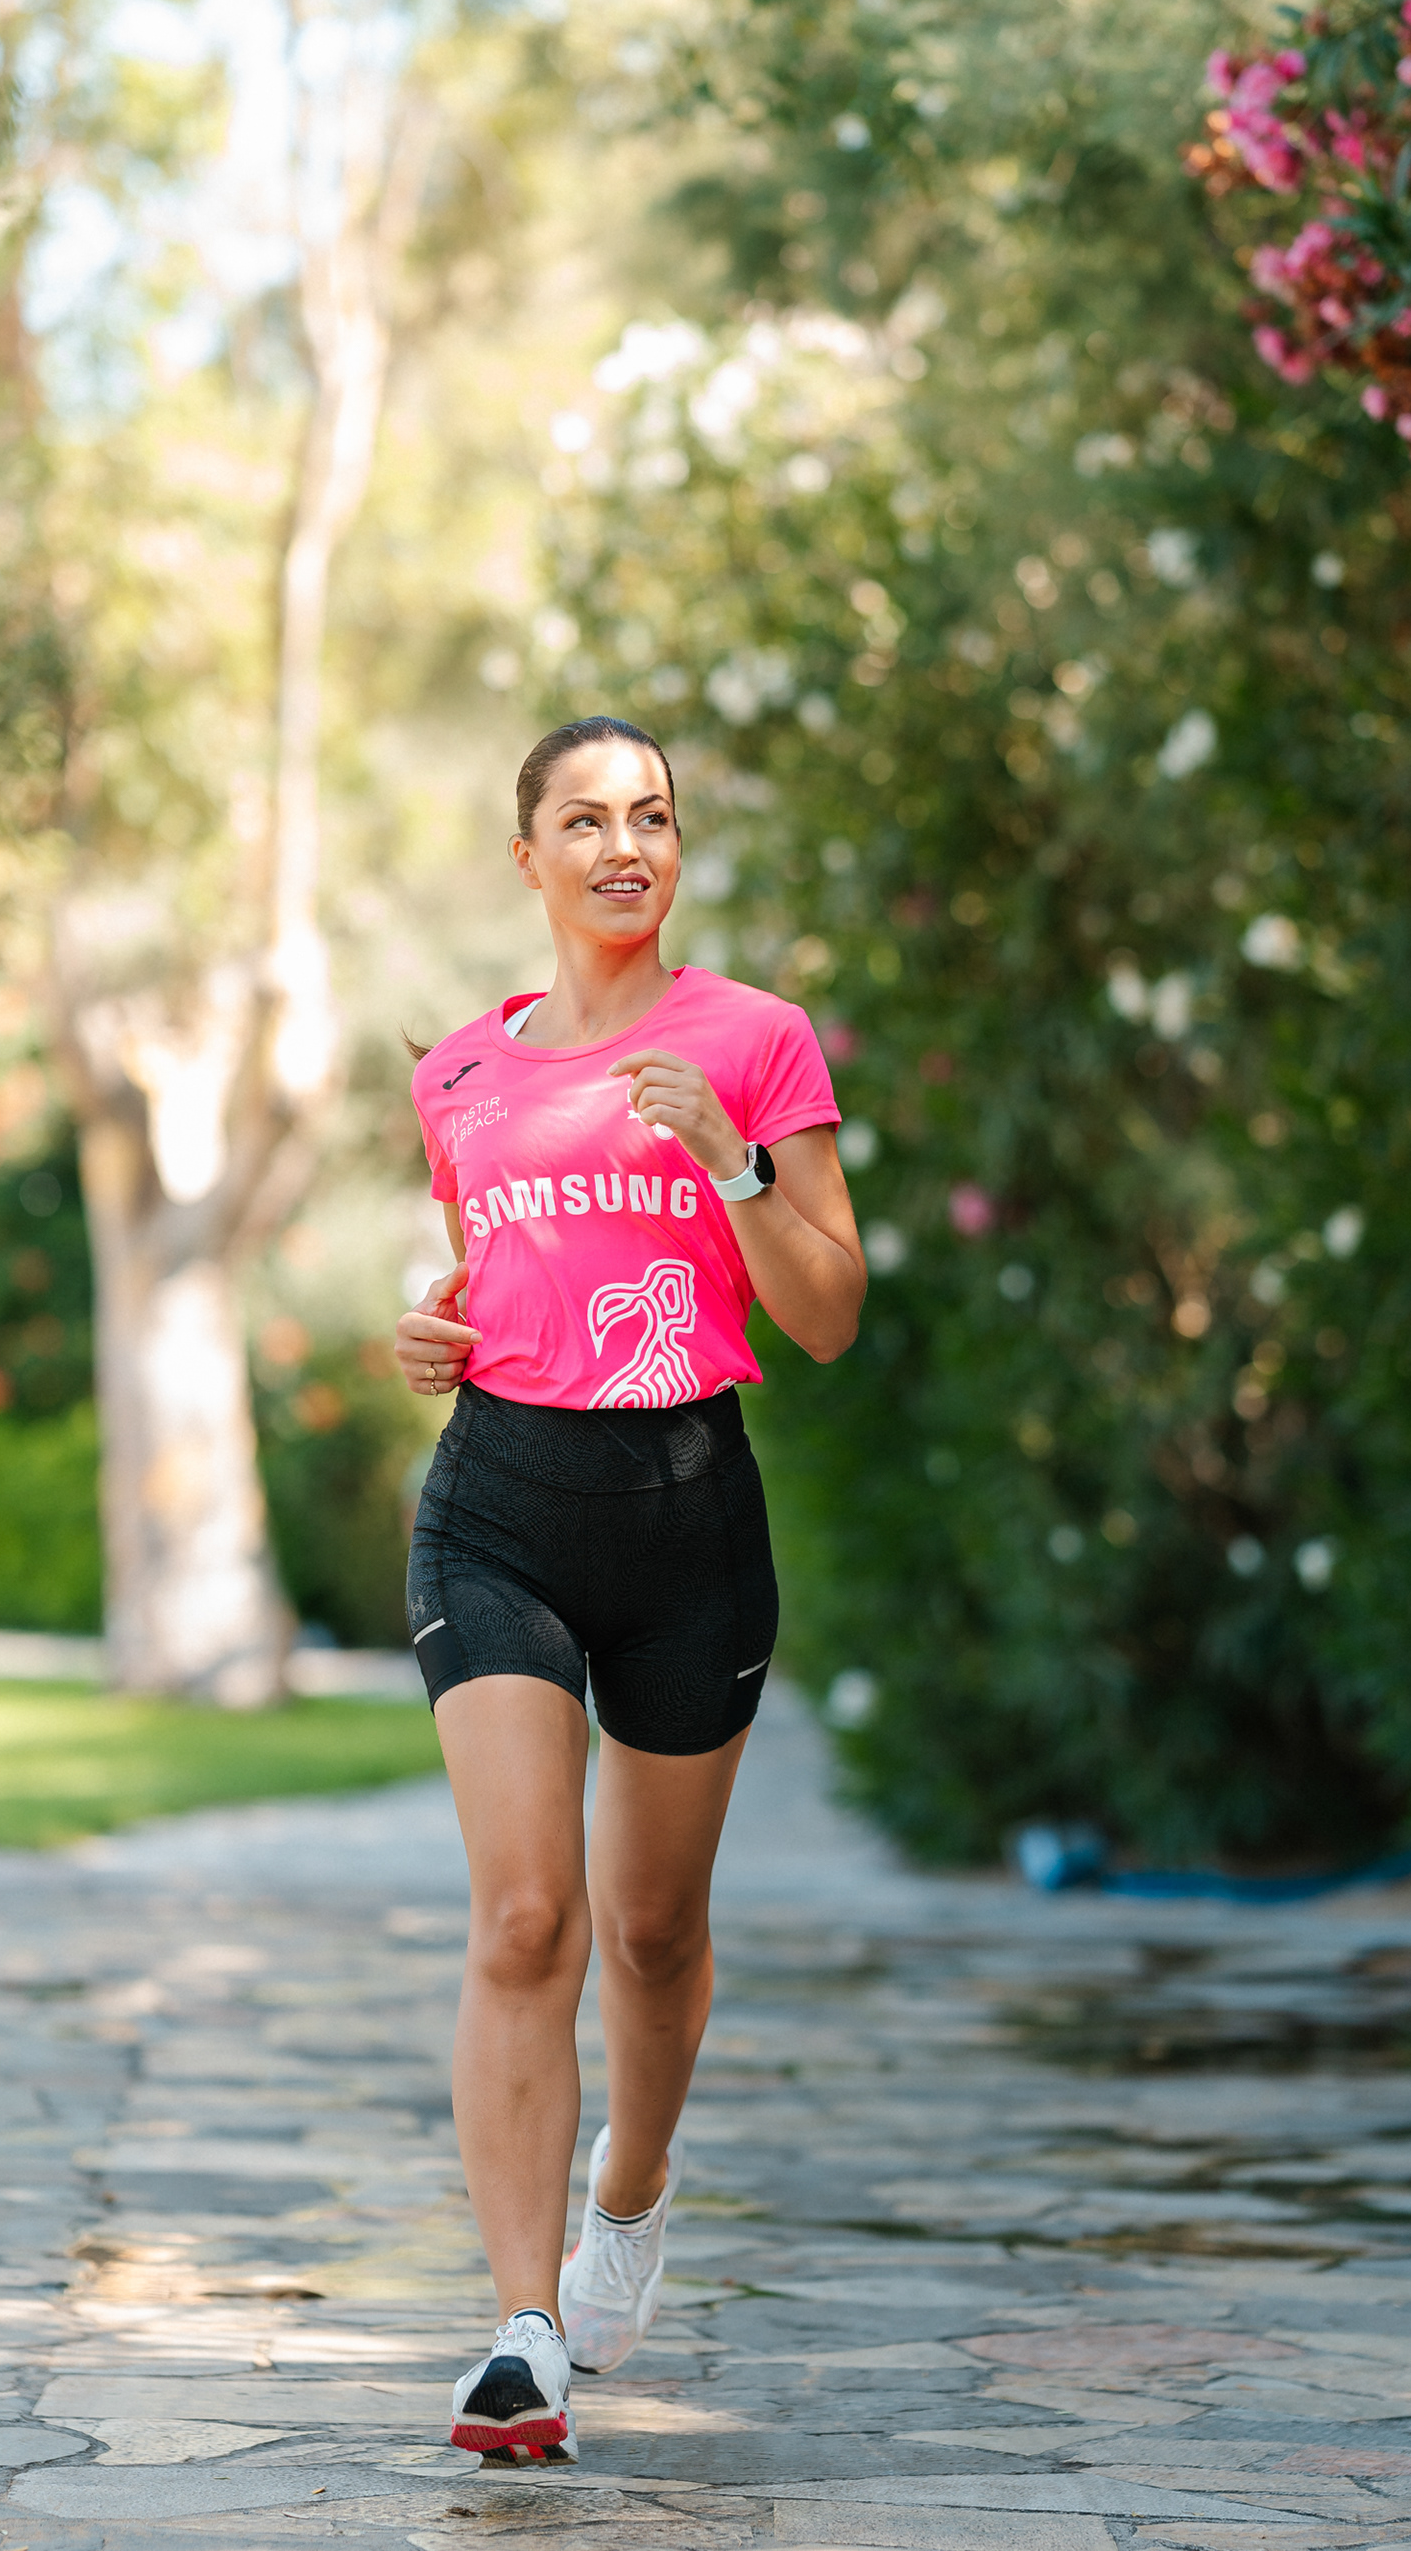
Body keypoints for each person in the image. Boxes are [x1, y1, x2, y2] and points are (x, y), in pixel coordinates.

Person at [393, 713, 865, 2467]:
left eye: (651, 816)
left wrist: (732, 1162)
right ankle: (524, 2336)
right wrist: (428, 1334)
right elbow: (494, 1288)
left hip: (688, 1518)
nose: (623, 847)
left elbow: (829, 1314)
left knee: (655, 1932)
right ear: (528, 858)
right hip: (499, 1512)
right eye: (584, 820)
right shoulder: (458, 1073)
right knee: (530, 1916)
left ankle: (632, 2194)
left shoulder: (753, 1039)